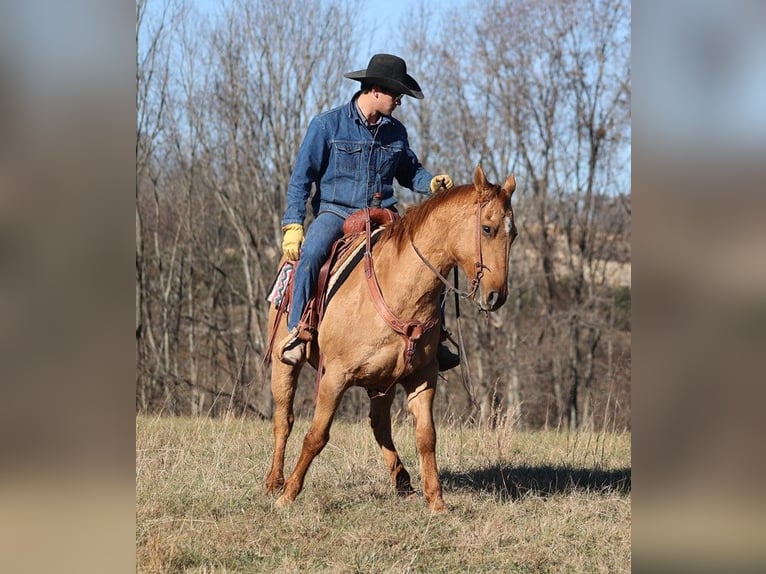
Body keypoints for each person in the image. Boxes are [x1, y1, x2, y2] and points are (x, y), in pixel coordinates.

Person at [277, 53, 460, 370]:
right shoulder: (326, 125)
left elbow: (409, 172)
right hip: (336, 213)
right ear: (375, 90)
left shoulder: (396, 133)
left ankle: (435, 336)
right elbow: (301, 179)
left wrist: (431, 183)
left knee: (428, 259)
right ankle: (297, 330)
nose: (399, 102)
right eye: (396, 94)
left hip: (385, 216)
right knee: (311, 254)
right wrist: (293, 224)